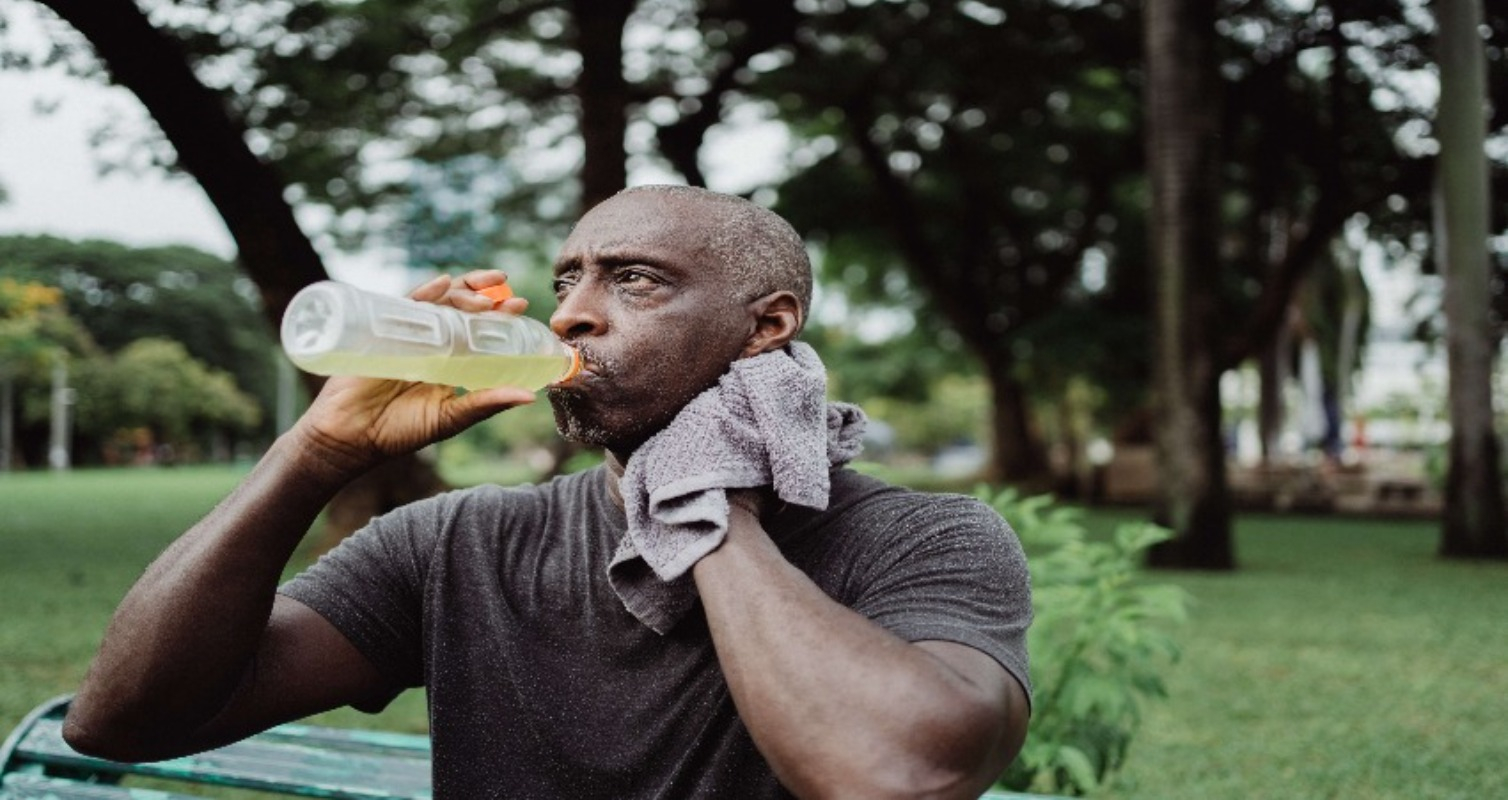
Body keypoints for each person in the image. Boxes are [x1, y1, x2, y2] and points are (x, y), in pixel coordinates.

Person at [64, 185, 1033, 799]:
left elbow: (893, 773)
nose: (571, 311)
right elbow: (123, 720)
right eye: (567, 277)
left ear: (764, 327)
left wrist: (703, 500)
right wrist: (313, 451)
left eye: (635, 280)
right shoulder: (457, 542)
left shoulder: (924, 539)